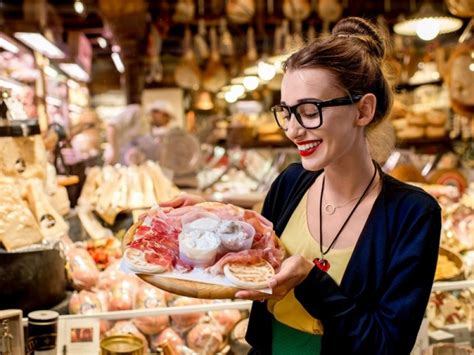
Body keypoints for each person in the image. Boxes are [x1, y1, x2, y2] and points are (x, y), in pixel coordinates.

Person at [161, 17, 441, 354]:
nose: (293, 130)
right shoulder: (290, 182)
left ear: (363, 110)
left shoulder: (413, 214)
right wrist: (214, 217)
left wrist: (312, 282)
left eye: (309, 111)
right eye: (287, 112)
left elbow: (387, 345)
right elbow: (257, 257)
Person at [105, 100, 174, 165]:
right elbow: (112, 127)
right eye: (167, 119)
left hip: (129, 166)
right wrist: (114, 152)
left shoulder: (149, 129)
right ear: (159, 113)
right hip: (116, 161)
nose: (167, 122)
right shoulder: (136, 111)